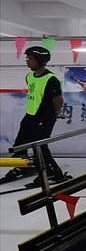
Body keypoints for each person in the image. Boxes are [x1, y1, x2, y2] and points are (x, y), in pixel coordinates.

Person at [0, 46, 70, 186]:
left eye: (30, 58)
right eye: (27, 58)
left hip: (44, 118)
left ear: (40, 60)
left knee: (40, 147)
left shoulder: (51, 80)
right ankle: (24, 167)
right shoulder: (29, 77)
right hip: (30, 116)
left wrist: (52, 117)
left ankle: (54, 173)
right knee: (20, 145)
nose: (27, 61)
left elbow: (58, 101)